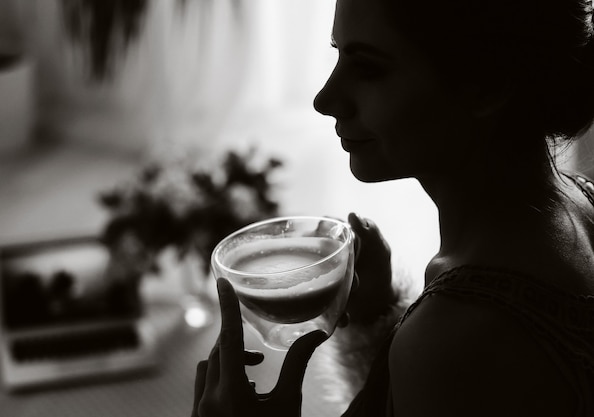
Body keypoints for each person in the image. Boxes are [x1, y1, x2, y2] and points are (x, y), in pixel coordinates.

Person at [191, 0, 594, 415]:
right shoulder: (582, 204)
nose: (325, 99)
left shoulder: (460, 337)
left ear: (486, 87)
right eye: (337, 53)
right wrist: (379, 315)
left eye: (368, 68)